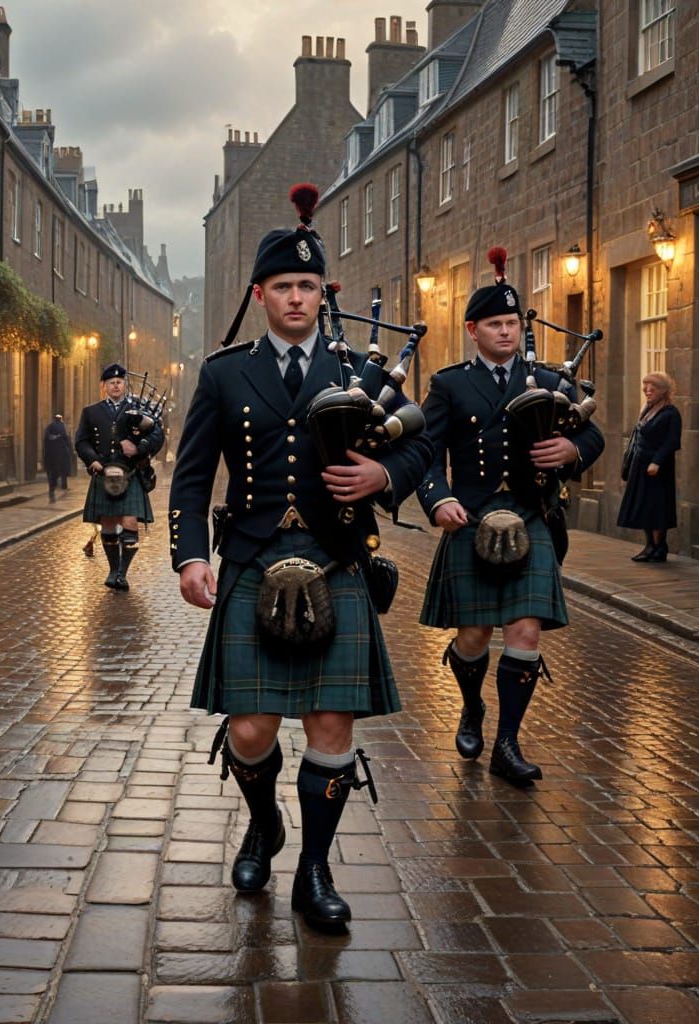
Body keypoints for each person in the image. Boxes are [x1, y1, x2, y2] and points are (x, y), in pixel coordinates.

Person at [169, 184, 433, 932]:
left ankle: (314, 870)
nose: (295, 297)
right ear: (260, 295)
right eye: (282, 286)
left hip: (335, 557)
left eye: (307, 286)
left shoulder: (361, 374)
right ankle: (263, 824)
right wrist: (190, 557)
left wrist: (385, 476)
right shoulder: (224, 373)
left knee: (329, 726)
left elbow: (420, 444)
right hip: (253, 556)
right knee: (251, 730)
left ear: (323, 293)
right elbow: (190, 477)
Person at [418, 249, 604, 785]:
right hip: (471, 519)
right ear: (472, 329)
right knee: (474, 634)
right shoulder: (449, 385)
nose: (506, 332)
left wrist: (570, 451)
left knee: (525, 631)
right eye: (495, 324)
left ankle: (507, 742)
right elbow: (427, 452)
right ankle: (473, 705)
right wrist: (437, 500)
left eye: (512, 323)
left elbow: (592, 435)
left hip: (532, 516)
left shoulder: (549, 379)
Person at [74, 364, 163, 592]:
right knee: (109, 525)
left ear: (125, 384)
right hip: (104, 473)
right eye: (111, 382)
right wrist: (92, 460)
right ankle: (113, 570)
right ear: (104, 386)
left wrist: (140, 447)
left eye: (120, 382)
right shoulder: (91, 411)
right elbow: (81, 441)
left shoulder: (137, 409)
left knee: (130, 522)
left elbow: (157, 433)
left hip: (130, 472)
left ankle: (123, 572)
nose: (116, 385)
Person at [617, 372, 681, 562]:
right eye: (646, 386)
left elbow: (672, 442)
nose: (647, 390)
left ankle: (659, 547)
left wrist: (657, 462)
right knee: (644, 507)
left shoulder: (671, 413)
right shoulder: (647, 409)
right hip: (640, 467)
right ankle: (650, 546)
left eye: (652, 387)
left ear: (663, 391)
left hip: (658, 470)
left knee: (657, 508)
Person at [42, 413, 72, 502]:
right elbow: (67, 441)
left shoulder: (49, 427)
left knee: (52, 474)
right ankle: (59, 487)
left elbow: (45, 441)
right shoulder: (62, 428)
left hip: (50, 457)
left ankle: (52, 491)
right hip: (59, 457)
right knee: (59, 473)